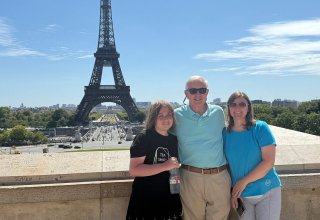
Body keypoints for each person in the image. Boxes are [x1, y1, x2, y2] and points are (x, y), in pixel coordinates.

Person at [174, 75, 231, 220]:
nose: (198, 95)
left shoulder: (218, 112)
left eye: (202, 90)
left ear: (207, 92)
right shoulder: (176, 115)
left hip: (219, 177)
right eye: (193, 91)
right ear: (186, 94)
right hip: (189, 177)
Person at [223, 91, 282, 220]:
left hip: (267, 191)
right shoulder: (224, 133)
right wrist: (233, 191)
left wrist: (243, 182)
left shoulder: (260, 128)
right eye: (233, 104)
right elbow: (226, 165)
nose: (237, 108)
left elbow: (268, 162)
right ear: (228, 108)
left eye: (242, 104)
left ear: (248, 107)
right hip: (242, 196)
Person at [126, 100, 182, 220]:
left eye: (169, 115)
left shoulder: (174, 140)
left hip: (169, 196)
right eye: (160, 116)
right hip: (147, 198)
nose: (165, 119)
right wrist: (164, 166)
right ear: (153, 118)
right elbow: (134, 170)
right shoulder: (143, 138)